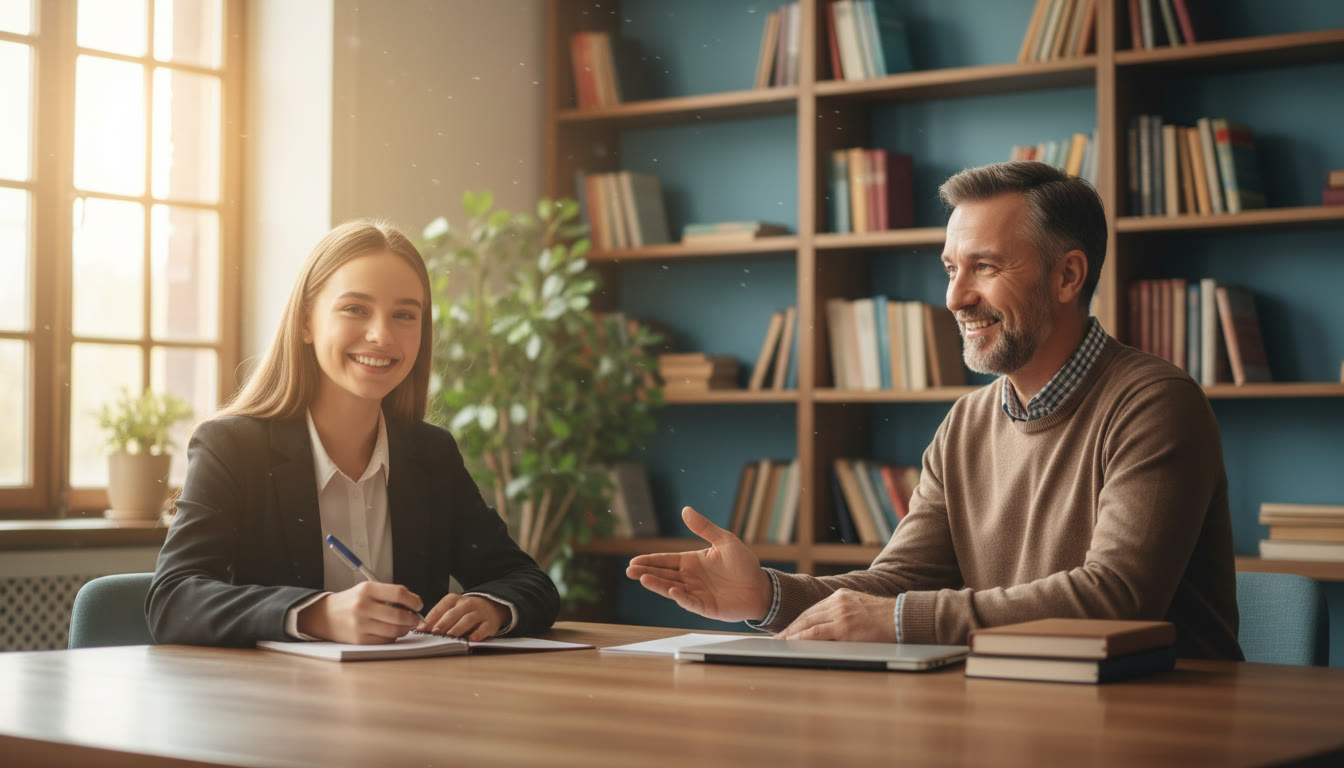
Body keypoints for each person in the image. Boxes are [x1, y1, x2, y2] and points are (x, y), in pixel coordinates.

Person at [628, 161, 1243, 660]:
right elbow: (898, 582)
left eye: (985, 267)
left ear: (1068, 276)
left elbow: (1117, 598)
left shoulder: (1154, 403)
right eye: (951, 268)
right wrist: (765, 594)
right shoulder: (967, 423)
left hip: (1166, 727)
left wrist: (898, 621)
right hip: (1023, 711)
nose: (954, 297)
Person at [147, 219, 559, 647]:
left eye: (404, 315)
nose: (381, 335)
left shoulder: (430, 453)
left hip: (414, 703)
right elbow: (174, 600)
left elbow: (529, 581)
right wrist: (316, 614)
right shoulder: (232, 447)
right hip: (274, 706)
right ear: (306, 322)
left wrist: (492, 606)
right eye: (354, 309)